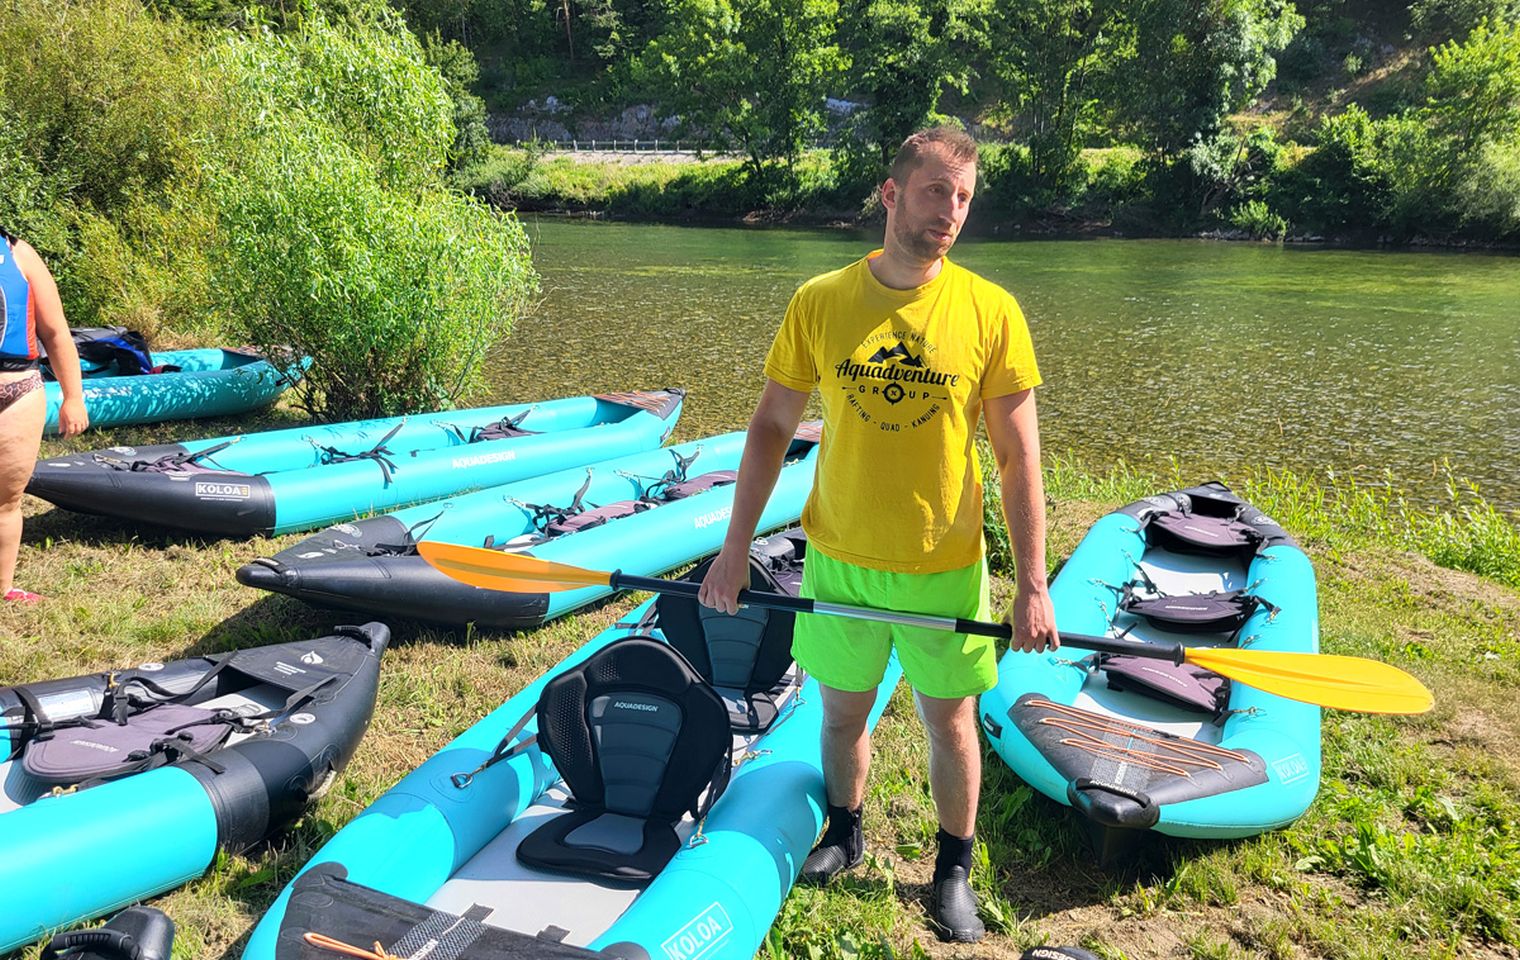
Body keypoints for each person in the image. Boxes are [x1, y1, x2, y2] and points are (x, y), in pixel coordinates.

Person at [697, 125, 1056, 943]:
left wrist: (1033, 584)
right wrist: (733, 549)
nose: (951, 211)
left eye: (963, 198)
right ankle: (845, 831)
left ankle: (953, 869)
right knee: (840, 715)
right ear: (891, 194)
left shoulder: (991, 311)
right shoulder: (820, 301)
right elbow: (771, 427)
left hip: (943, 563)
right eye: (936, 191)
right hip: (840, 557)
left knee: (951, 723)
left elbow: (1018, 457)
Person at [1, 228, 88, 602]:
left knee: (6, 501)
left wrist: (74, 398)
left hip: (17, 390)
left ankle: (3, 587)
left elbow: (55, 333)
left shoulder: (18, 252)